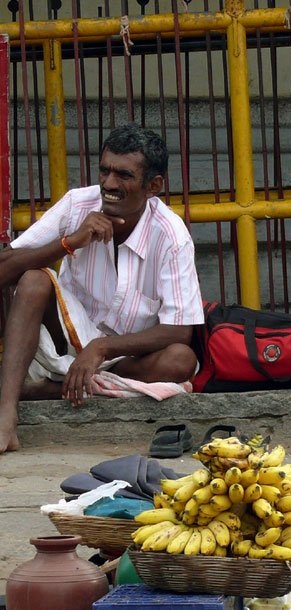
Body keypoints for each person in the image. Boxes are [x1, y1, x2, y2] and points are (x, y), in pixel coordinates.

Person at [0, 123, 203, 454]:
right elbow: (5, 268)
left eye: (123, 175)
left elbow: (180, 330)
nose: (109, 183)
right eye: (105, 171)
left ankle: (48, 389)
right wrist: (68, 242)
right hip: (59, 344)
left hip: (121, 358)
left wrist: (101, 349)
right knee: (34, 278)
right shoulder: (78, 204)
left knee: (180, 360)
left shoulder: (171, 235)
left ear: (153, 186)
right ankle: (7, 411)